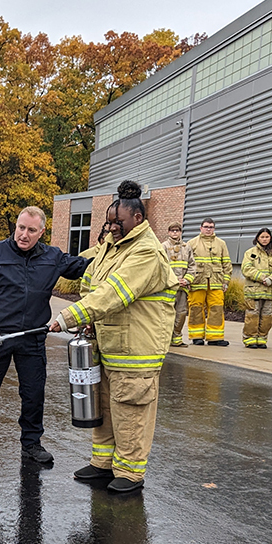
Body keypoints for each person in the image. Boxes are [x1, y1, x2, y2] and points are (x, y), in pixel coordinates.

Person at [50, 180, 178, 495]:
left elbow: (114, 293)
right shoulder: (111, 247)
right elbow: (90, 285)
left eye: (117, 222)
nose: (111, 227)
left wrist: (68, 317)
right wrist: (88, 321)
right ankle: (102, 464)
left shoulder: (146, 252)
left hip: (137, 350)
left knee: (130, 410)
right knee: (103, 406)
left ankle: (130, 474)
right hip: (108, 345)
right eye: (108, 222)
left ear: (137, 219)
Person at [0, 206, 90, 467]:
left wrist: (112, 251)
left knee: (33, 394)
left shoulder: (52, 257)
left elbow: (84, 267)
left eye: (31, 230)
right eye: (21, 227)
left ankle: (31, 444)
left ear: (41, 232)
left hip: (32, 338)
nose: (24, 234)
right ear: (16, 226)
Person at [186, 218, 231, 346]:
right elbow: (187, 264)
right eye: (206, 227)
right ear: (201, 228)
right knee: (195, 308)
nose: (208, 229)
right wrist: (188, 279)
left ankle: (215, 337)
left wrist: (226, 282)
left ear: (214, 229)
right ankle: (196, 336)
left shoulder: (221, 243)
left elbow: (227, 264)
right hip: (197, 282)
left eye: (211, 227)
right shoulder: (192, 243)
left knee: (217, 308)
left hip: (216, 282)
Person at [240, 228, 272, 348]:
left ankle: (262, 339)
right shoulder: (250, 253)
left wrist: (271, 279)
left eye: (267, 237)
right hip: (253, 290)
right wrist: (262, 278)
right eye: (262, 237)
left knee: (267, 316)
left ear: (270, 238)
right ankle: (250, 339)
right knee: (252, 315)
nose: (265, 239)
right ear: (257, 238)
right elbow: (246, 268)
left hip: (270, 291)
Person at [161, 223, 196, 347]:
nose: (175, 233)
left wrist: (186, 280)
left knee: (181, 313)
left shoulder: (187, 247)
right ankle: (165, 339)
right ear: (169, 232)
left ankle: (177, 338)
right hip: (169, 287)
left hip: (183, 288)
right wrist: (174, 280)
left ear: (181, 232)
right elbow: (161, 267)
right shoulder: (163, 247)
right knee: (166, 313)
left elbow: (192, 266)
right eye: (172, 230)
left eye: (177, 230)